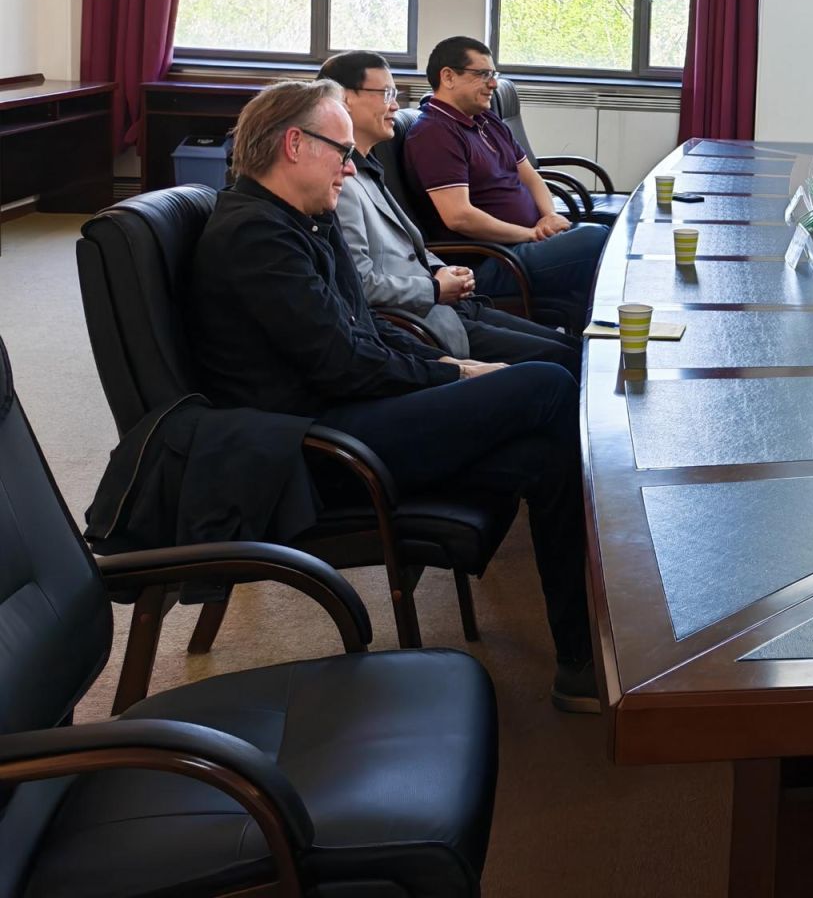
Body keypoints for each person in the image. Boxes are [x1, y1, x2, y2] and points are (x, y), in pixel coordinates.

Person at [185, 80, 599, 712]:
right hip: (315, 447)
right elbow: (344, 365)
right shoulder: (255, 237)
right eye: (341, 152)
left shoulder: (302, 219)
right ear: (294, 145)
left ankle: (579, 654)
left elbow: (368, 331)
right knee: (547, 383)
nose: (351, 168)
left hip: (349, 414)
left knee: (546, 453)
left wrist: (448, 361)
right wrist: (455, 377)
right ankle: (595, 621)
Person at [322, 50, 577, 371]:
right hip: (426, 321)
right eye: (386, 94)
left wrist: (448, 272)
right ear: (345, 100)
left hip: (451, 304)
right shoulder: (341, 184)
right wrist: (435, 287)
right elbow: (360, 284)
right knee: (564, 361)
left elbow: (410, 246)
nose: (396, 105)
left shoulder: (368, 167)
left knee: (573, 349)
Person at [403, 35, 608, 330]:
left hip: (520, 246)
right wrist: (530, 234)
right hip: (491, 260)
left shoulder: (487, 121)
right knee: (595, 239)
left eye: (493, 74)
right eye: (483, 74)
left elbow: (530, 176)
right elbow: (459, 216)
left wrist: (549, 215)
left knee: (599, 240)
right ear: (448, 77)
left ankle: (586, 336)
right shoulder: (434, 133)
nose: (493, 84)